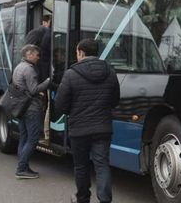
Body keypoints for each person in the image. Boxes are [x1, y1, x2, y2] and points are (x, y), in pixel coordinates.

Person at [54, 39, 120, 203]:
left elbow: (60, 105)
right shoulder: (110, 72)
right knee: (102, 164)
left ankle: (82, 198)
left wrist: (72, 112)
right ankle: (105, 200)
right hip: (103, 128)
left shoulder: (71, 74)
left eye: (77, 52)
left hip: (79, 129)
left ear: (81, 52)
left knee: (81, 166)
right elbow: (115, 100)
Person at [12, 44, 50, 179]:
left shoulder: (18, 67)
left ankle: (24, 166)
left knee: (24, 137)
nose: (38, 57)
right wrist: (48, 81)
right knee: (33, 139)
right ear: (29, 54)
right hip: (30, 108)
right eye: (37, 54)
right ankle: (21, 169)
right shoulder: (29, 69)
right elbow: (34, 90)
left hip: (21, 107)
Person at [25, 14, 52, 141]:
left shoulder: (34, 32)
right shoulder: (44, 33)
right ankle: (39, 131)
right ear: (46, 22)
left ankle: (38, 131)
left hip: (40, 74)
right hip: (41, 74)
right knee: (42, 102)